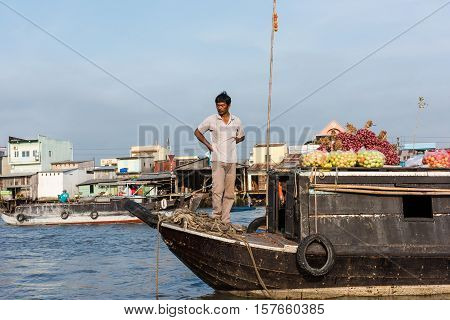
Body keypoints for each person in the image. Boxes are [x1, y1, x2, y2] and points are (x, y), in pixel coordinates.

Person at [194, 91, 245, 224]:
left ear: (228, 105)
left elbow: (242, 136)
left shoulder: (237, 120)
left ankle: (225, 219)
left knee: (229, 193)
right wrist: (209, 146)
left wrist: (232, 143)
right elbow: (197, 132)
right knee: (217, 190)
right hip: (217, 160)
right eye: (218, 105)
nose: (219, 108)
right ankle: (216, 216)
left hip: (232, 160)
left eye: (222, 105)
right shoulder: (211, 119)